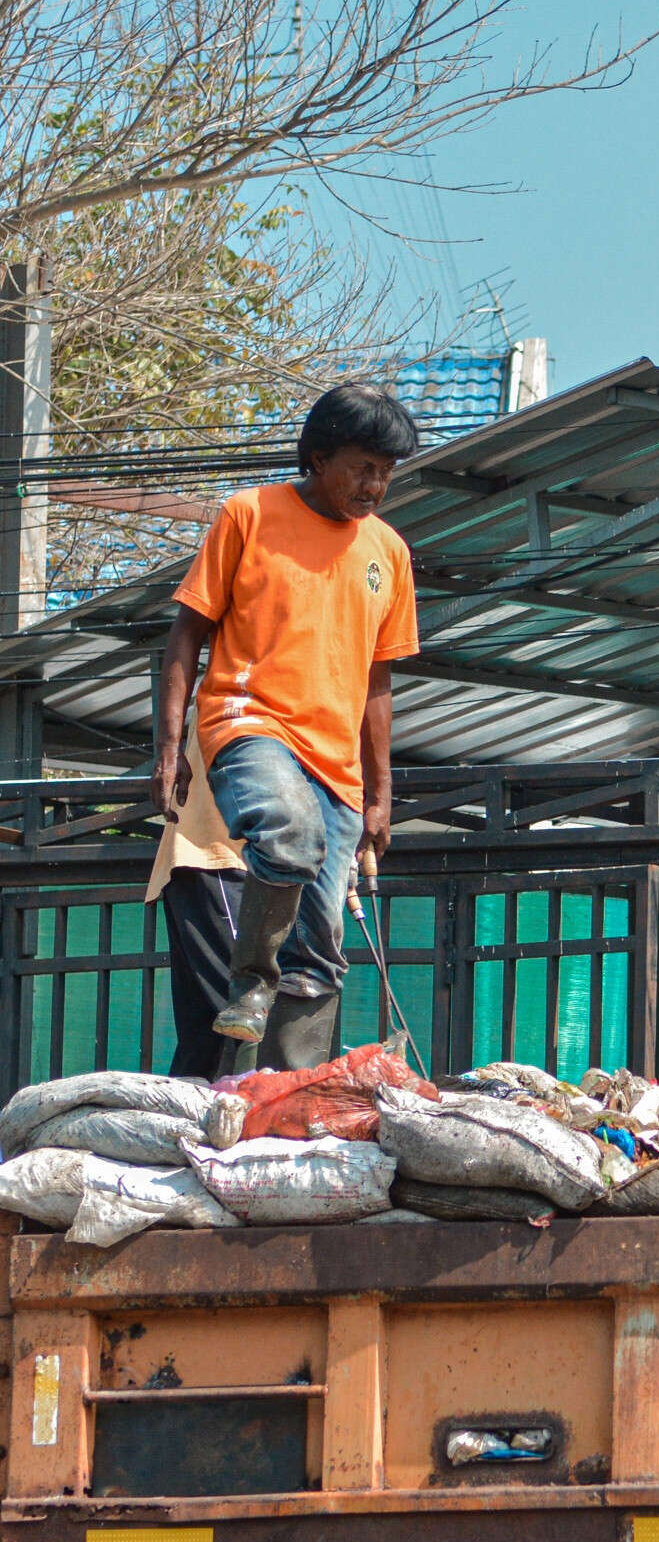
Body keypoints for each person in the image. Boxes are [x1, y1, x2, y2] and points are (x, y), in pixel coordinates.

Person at [152, 383, 422, 1071]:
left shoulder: (388, 552)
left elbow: (377, 679)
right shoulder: (250, 514)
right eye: (363, 467)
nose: (375, 485)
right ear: (320, 456)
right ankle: (251, 983)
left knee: (323, 946)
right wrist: (167, 746)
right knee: (287, 831)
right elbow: (186, 633)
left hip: (337, 764)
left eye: (387, 473)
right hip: (248, 721)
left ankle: (289, 1093)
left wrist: (380, 794)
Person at [146, 717, 247, 1079]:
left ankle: (181, 1115)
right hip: (218, 854)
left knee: (207, 1029)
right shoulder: (248, 685)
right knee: (246, 1009)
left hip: (202, 859)